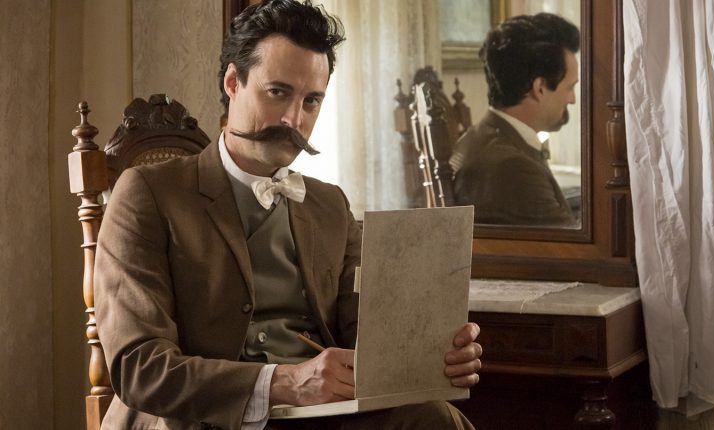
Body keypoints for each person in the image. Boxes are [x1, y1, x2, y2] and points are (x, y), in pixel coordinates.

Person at [93, 1, 481, 429]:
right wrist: (283, 382)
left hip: (322, 417)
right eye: (278, 92)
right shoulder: (147, 193)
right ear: (233, 82)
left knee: (436, 419)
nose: (294, 119)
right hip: (202, 417)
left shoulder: (330, 205)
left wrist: (433, 354)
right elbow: (140, 368)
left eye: (311, 101)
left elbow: (371, 337)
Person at [451, 13, 580, 226]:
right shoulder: (514, 169)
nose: (572, 99)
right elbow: (573, 244)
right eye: (569, 88)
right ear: (539, 88)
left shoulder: (482, 137)